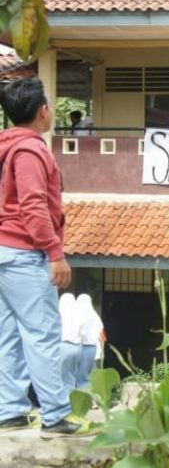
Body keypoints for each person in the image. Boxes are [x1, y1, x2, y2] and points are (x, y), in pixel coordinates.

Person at [0, 77, 84, 436]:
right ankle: (55, 415)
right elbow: (33, 205)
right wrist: (54, 253)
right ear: (42, 111)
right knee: (43, 334)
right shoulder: (30, 151)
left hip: (4, 251)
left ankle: (10, 411)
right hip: (24, 252)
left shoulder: (6, 146)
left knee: (8, 335)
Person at [75, 293, 103, 389]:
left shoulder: (78, 315)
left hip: (82, 347)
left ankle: (83, 396)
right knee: (92, 376)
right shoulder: (95, 316)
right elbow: (102, 334)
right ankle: (94, 396)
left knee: (81, 377)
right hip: (94, 348)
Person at [59, 293, 82, 393]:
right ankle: (71, 397)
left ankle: (62, 399)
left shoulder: (59, 313)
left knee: (60, 377)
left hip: (63, 346)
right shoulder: (78, 314)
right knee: (71, 376)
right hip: (77, 347)